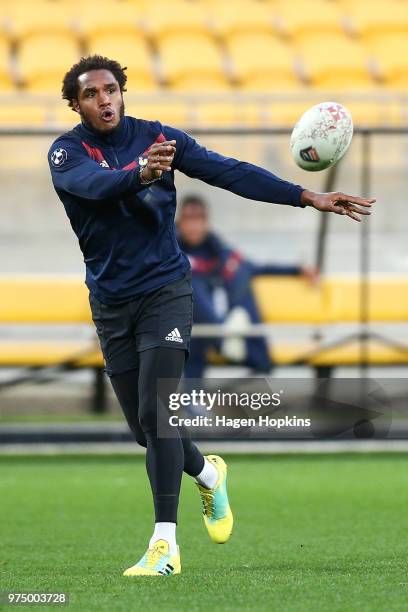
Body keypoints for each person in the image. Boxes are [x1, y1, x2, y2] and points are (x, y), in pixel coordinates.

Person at [47, 55, 374, 577]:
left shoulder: (158, 137)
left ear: (123, 93)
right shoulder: (66, 153)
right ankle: (207, 474)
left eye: (111, 89)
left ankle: (164, 547)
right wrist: (138, 173)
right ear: (77, 103)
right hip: (110, 303)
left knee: (160, 416)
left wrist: (306, 195)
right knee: (144, 429)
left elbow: (229, 171)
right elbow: (94, 187)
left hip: (166, 291)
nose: (104, 99)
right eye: (91, 93)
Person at [177, 194, 318, 378]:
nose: (194, 226)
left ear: (207, 222)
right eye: (189, 220)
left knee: (240, 276)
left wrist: (298, 270)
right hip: (178, 325)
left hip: (211, 323)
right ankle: (230, 341)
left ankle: (232, 344)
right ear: (180, 222)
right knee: (191, 293)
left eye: (199, 220)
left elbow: (256, 267)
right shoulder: (168, 250)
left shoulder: (219, 252)